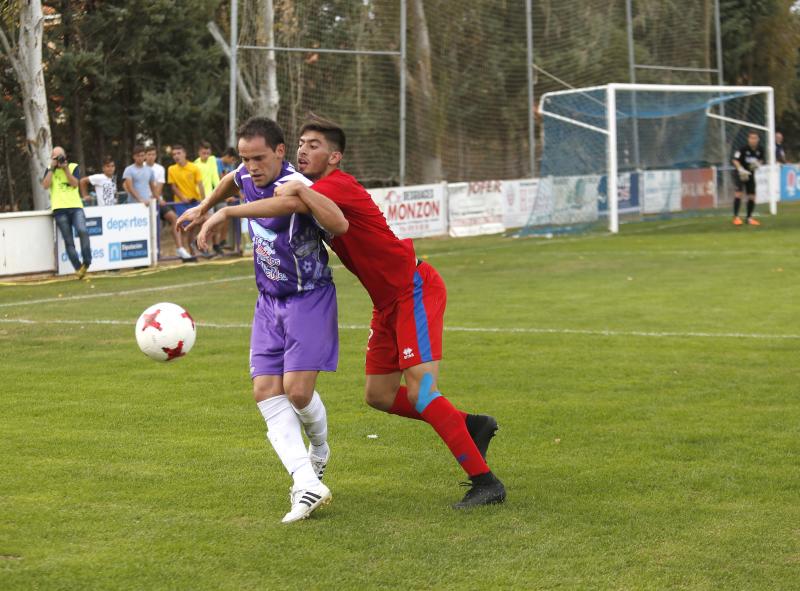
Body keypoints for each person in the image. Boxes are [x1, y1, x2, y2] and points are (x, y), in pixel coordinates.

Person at [192, 115, 505, 509]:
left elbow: (321, 214)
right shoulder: (312, 189)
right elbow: (246, 181)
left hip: (413, 290)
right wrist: (209, 205)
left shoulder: (335, 186)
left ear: (335, 157)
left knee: (422, 392)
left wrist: (229, 213)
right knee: (380, 396)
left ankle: (485, 481)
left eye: (315, 145)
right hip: (386, 303)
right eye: (302, 143)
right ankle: (470, 425)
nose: (305, 150)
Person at [177, 117, 348, 523]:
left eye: (258, 157)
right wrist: (205, 205)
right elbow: (231, 180)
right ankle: (306, 482)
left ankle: (319, 451)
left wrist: (226, 214)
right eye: (245, 157)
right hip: (268, 301)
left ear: (280, 152)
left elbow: (287, 204)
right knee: (265, 391)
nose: (251, 166)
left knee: (298, 393)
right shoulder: (246, 173)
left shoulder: (297, 183)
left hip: (308, 297)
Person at [42, 146, 91, 279]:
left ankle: (87, 261)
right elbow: (45, 185)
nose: (58, 159)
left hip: (75, 207)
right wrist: (52, 167)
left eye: (60, 156)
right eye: (55, 157)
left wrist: (65, 169)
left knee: (82, 231)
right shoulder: (49, 169)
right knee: (69, 241)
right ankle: (78, 268)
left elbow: (75, 184)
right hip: (59, 209)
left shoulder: (73, 167)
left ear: (65, 157)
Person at [167, 145, 206, 260]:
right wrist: (183, 197)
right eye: (174, 154)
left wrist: (204, 202)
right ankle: (184, 253)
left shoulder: (194, 167)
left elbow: (200, 185)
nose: (176, 156)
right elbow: (173, 187)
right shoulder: (171, 169)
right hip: (180, 203)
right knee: (183, 228)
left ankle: (192, 251)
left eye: (178, 153)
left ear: (184, 154)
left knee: (192, 228)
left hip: (194, 202)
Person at [146, 146, 182, 259]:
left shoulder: (160, 168)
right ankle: (151, 252)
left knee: (174, 218)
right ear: (145, 156)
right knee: (151, 228)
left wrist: (157, 198)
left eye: (153, 154)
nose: (151, 157)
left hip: (157, 202)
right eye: (149, 154)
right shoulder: (141, 168)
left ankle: (180, 249)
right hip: (145, 203)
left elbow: (159, 187)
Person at [731, 131, 764, 226]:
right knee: (738, 193)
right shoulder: (743, 149)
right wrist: (741, 169)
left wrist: (758, 164)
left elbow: (761, 160)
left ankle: (749, 218)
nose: (753, 140)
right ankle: (736, 217)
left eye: (755, 138)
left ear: (758, 139)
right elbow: (735, 160)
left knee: (752, 196)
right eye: (751, 138)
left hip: (750, 174)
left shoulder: (760, 149)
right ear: (748, 139)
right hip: (740, 174)